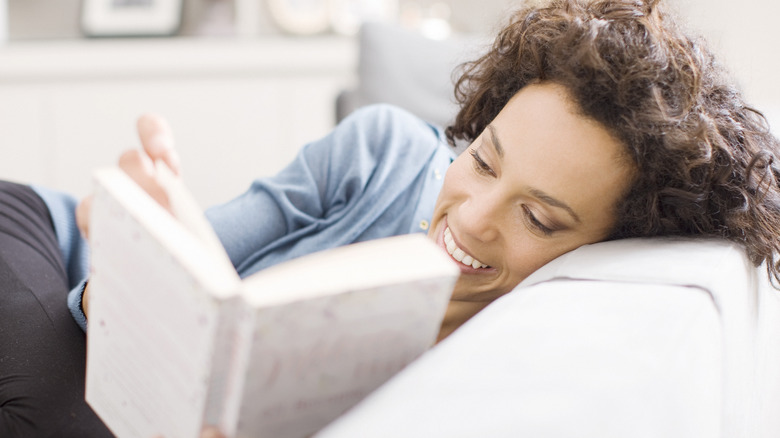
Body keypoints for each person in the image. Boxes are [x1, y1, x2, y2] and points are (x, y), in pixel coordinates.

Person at [2, 0, 779, 436]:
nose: (471, 219)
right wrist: (146, 243)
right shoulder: (382, 152)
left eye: (538, 219)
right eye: (482, 159)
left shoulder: (515, 351)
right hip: (43, 238)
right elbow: (136, 294)